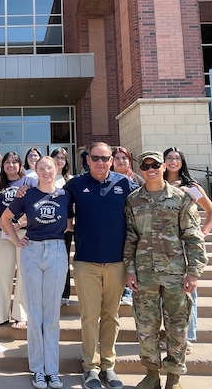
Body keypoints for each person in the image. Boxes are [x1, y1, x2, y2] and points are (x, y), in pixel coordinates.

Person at [125, 151, 208, 389]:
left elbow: (193, 237)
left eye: (155, 164)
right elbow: (130, 237)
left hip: (175, 274)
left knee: (177, 327)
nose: (151, 169)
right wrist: (130, 270)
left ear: (163, 167)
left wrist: (193, 272)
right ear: (141, 169)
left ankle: (174, 378)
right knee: (146, 327)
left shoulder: (181, 198)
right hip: (144, 274)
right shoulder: (133, 200)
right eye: (145, 165)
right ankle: (152, 374)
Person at [64, 142, 137, 389]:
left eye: (105, 158)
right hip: (86, 262)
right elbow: (51, 200)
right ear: (87, 160)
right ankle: (90, 368)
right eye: (95, 158)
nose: (100, 162)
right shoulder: (75, 185)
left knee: (111, 316)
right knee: (89, 316)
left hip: (117, 262)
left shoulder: (124, 183)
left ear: (111, 160)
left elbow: (147, 203)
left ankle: (109, 366)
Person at [1, 156, 73, 389]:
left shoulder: (65, 194)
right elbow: (5, 218)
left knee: (51, 314)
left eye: (49, 168)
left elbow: (71, 222)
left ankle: (52, 370)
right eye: (41, 168)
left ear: (56, 169)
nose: (45, 171)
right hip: (31, 250)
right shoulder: (27, 194)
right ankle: (38, 370)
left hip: (56, 250)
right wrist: (15, 239)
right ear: (35, 170)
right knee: (34, 313)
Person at [164, 147, 212, 355]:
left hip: (186, 246)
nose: (173, 161)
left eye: (177, 158)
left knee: (188, 293)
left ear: (182, 162)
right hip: (164, 247)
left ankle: (188, 336)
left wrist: (203, 233)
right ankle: (168, 335)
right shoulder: (159, 185)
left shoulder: (190, 186)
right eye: (169, 158)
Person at [0, 151, 35, 329]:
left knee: (23, 274)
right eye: (7, 162)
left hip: (24, 234)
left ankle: (21, 315)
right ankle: (0, 315)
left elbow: (37, 204)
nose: (10, 165)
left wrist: (22, 221)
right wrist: (5, 225)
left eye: (14, 162)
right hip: (4, 235)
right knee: (0, 273)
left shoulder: (29, 182)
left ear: (20, 165)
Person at [111, 146, 144, 307]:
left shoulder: (137, 179)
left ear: (129, 161)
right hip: (113, 225)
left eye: (124, 158)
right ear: (112, 161)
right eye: (117, 158)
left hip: (132, 225)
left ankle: (128, 291)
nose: (121, 161)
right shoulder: (106, 179)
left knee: (129, 256)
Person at [51, 147, 74, 307]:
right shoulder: (45, 177)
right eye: (57, 157)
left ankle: (64, 294)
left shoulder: (70, 180)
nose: (60, 160)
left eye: (63, 158)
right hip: (47, 226)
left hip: (65, 227)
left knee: (63, 261)